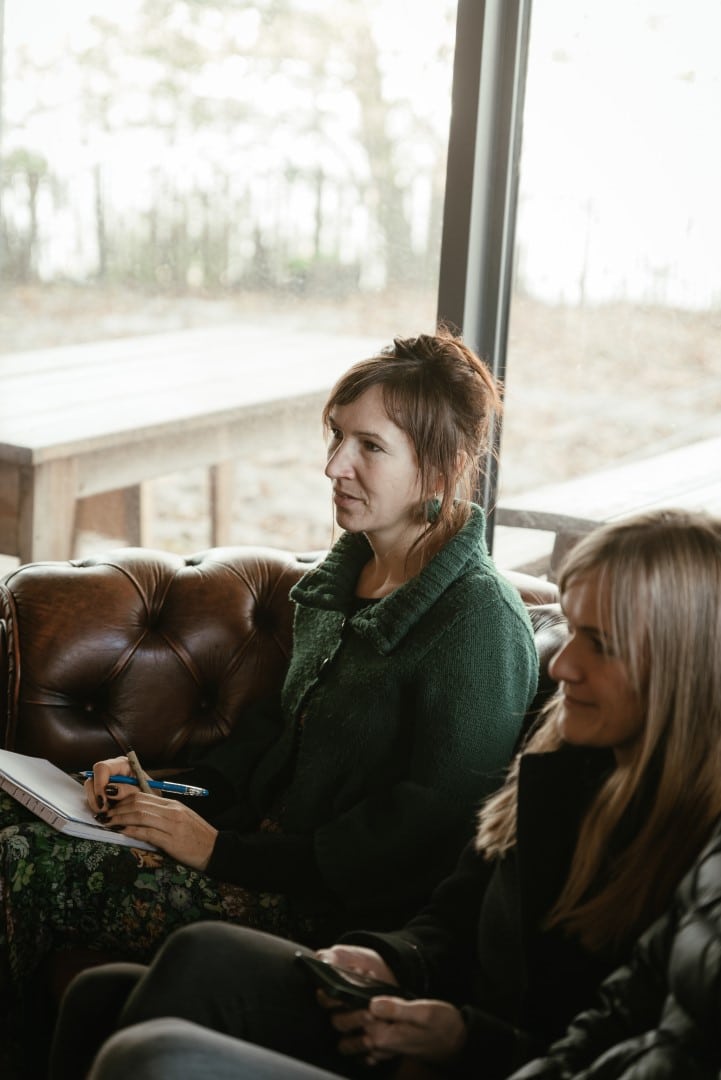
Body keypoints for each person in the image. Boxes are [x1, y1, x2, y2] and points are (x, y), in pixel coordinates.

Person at [0, 330, 539, 1072]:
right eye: (335, 437)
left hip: (326, 909)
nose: (333, 467)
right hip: (248, 857)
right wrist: (158, 788)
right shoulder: (338, 584)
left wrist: (218, 849)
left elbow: (421, 840)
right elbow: (264, 745)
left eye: (368, 447)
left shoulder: (478, 624)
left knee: (19, 863)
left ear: (442, 465)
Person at [50, 508, 721, 1080]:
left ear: (680, 665)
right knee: (99, 995)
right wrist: (386, 957)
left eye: (597, 644)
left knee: (152, 1023)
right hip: (417, 1006)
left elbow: (610, 1051)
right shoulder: (564, 756)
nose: (561, 662)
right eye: (569, 629)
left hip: (462, 1037)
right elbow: (448, 913)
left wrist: (462, 1038)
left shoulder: (698, 858)